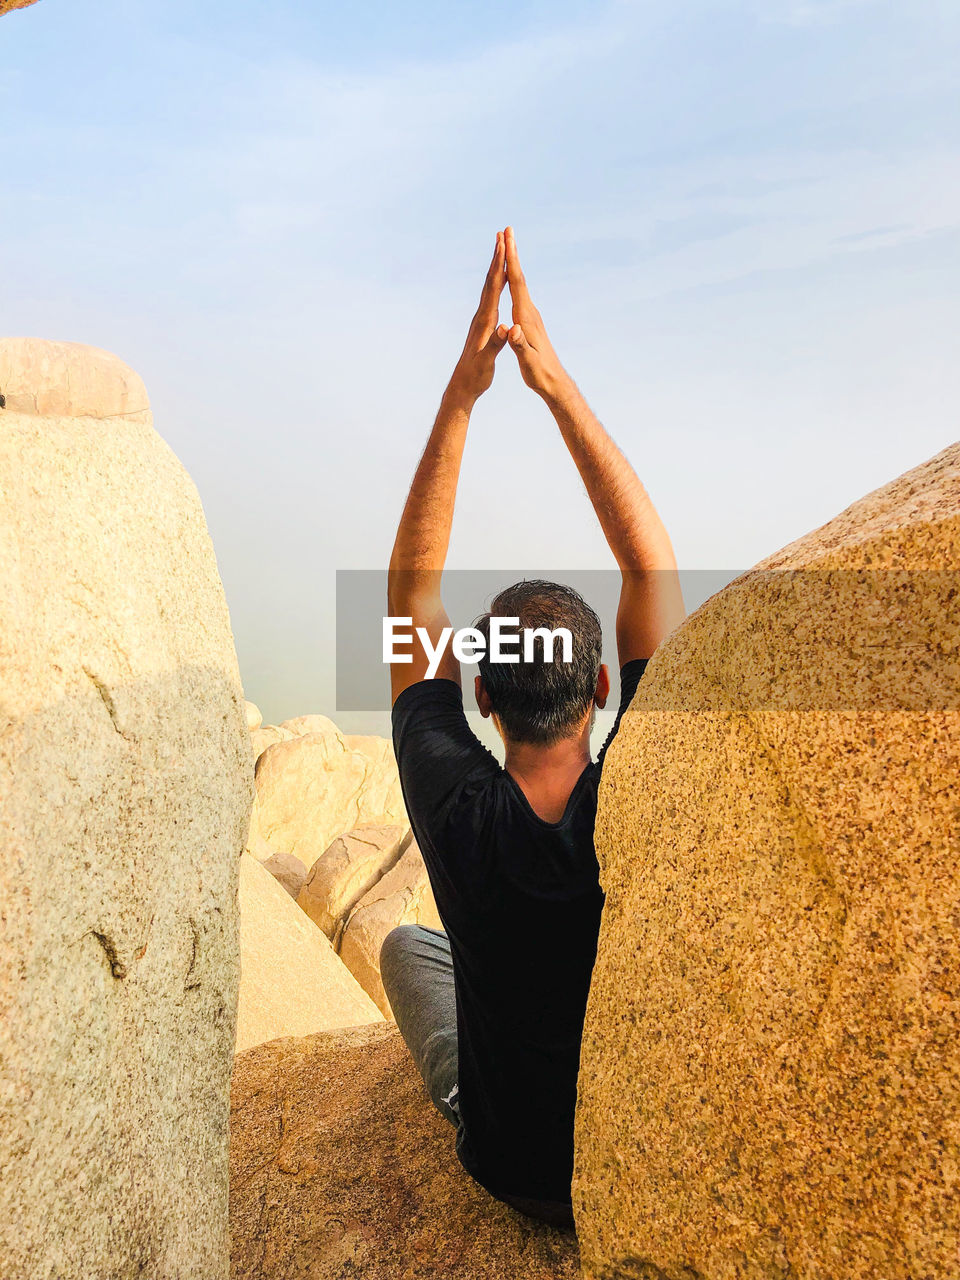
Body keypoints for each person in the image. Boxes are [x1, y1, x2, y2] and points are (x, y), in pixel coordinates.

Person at [380, 226, 685, 1227]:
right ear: (602, 683)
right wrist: (553, 385)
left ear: (481, 698)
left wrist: (462, 397)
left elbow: (409, 593)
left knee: (405, 948)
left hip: (514, 1163)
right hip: (626, 1158)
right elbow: (651, 572)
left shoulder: (456, 803)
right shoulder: (642, 790)